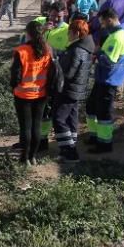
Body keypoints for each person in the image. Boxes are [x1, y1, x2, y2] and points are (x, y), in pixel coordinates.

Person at [85, 7, 124, 153]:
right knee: (91, 106)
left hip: (109, 79)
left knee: (103, 112)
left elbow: (108, 61)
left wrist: (98, 52)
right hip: (104, 78)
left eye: (103, 23)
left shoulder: (117, 38)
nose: (102, 26)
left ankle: (104, 144)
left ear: (109, 19)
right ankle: (94, 136)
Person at [10, 20, 56, 166]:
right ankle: (33, 156)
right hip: (41, 94)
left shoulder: (21, 51)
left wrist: (14, 87)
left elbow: (15, 76)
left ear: (28, 33)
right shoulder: (47, 50)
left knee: (26, 127)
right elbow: (50, 73)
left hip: (23, 95)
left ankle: (24, 158)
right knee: (37, 126)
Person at [52, 18, 94, 163]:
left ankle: (70, 151)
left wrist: (56, 63)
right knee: (71, 118)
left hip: (69, 89)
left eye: (69, 31)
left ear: (76, 33)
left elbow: (69, 73)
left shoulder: (76, 50)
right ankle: (70, 145)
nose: (67, 34)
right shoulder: (86, 48)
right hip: (78, 89)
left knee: (58, 118)